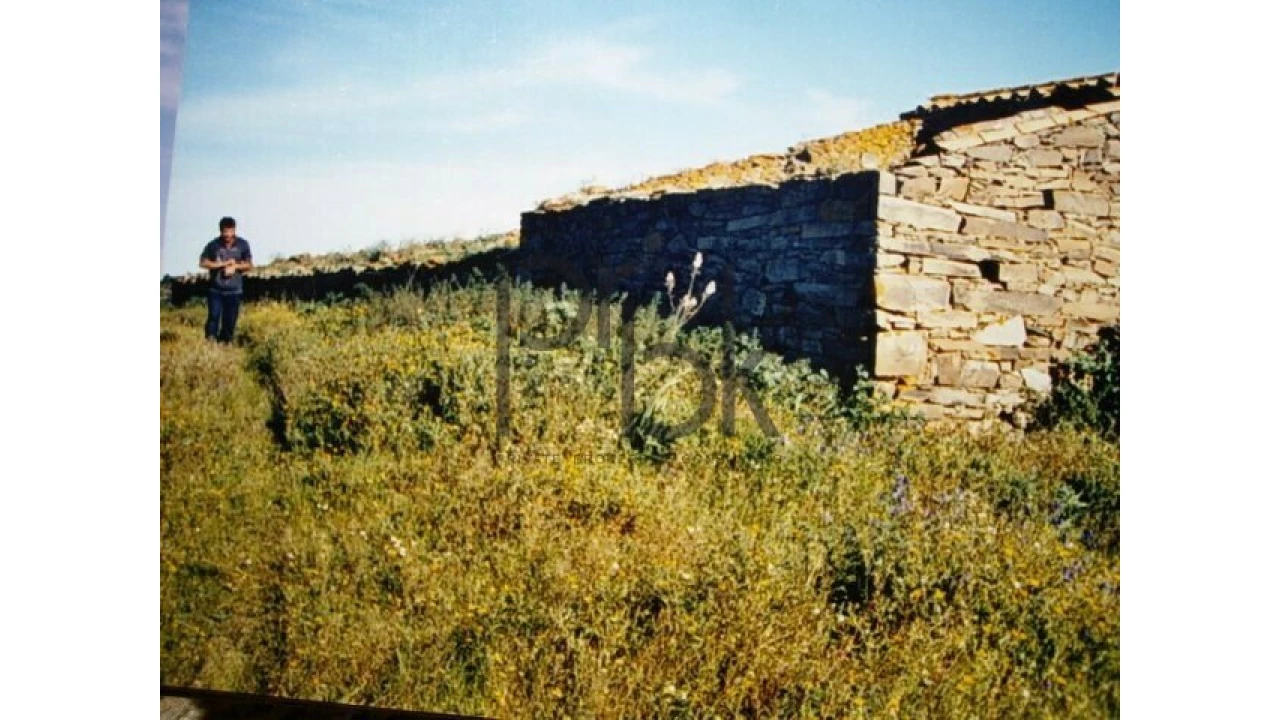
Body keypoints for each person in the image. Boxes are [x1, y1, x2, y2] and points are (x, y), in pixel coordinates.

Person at [199, 216, 253, 343]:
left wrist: (235, 267)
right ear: (220, 231)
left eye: (230, 231)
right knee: (213, 317)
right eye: (225, 232)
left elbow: (249, 265)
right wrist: (222, 264)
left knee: (230, 320)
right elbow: (203, 262)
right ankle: (210, 343)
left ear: (234, 230)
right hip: (215, 290)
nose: (228, 235)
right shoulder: (213, 245)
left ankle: (225, 344)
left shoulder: (243, 244)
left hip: (234, 291)